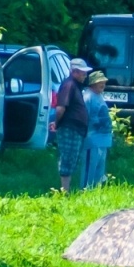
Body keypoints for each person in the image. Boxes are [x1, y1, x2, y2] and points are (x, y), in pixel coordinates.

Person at [53, 58, 91, 193]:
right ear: (74, 72)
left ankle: (67, 190)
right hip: (69, 128)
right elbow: (60, 108)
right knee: (67, 158)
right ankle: (64, 192)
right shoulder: (69, 85)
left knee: (73, 158)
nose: (85, 76)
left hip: (76, 129)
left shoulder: (75, 85)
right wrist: (57, 124)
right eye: (83, 73)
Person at [82, 70, 114, 189]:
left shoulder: (98, 95)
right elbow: (84, 117)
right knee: (90, 167)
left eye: (104, 82)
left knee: (99, 169)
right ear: (93, 83)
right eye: (101, 82)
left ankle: (95, 191)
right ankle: (85, 191)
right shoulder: (88, 97)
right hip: (92, 139)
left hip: (103, 139)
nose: (103, 85)